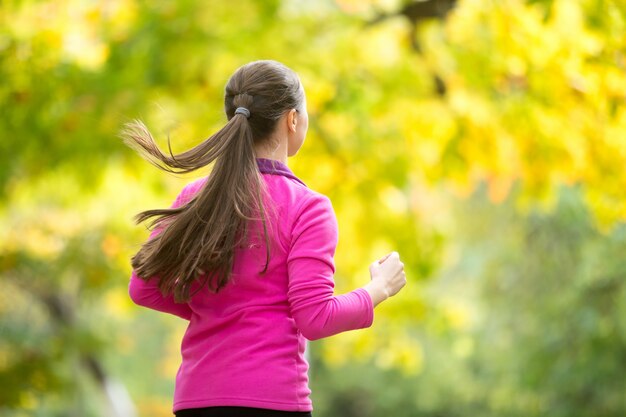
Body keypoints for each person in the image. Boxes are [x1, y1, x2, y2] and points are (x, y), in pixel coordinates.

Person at [120, 60, 407, 417]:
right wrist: (377, 290)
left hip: (197, 399)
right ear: (292, 119)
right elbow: (314, 318)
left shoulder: (196, 195)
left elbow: (142, 288)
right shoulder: (308, 207)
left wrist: (213, 308)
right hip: (272, 399)